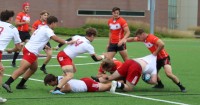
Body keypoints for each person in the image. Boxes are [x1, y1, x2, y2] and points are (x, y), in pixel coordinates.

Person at [2, 16, 72, 93]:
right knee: (22, 69)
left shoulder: (42, 28)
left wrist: (44, 45)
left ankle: (20, 84)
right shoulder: (48, 30)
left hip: (30, 50)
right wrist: (66, 42)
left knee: (33, 68)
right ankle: (7, 83)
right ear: (53, 23)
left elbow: (37, 38)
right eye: (56, 24)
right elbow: (56, 38)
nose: (56, 25)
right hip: (31, 51)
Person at [51, 28, 104, 94]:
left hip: (65, 55)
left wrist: (58, 47)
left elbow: (67, 40)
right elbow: (95, 59)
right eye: (94, 37)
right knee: (70, 75)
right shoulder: (89, 46)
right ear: (92, 36)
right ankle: (57, 89)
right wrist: (103, 56)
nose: (94, 38)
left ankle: (60, 83)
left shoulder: (77, 36)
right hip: (64, 57)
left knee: (73, 70)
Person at [0, 10, 22, 103]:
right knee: (0, 71)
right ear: (9, 18)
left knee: (1, 69)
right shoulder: (13, 28)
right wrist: (11, 50)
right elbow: (18, 47)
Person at [44, 74, 111, 94]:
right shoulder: (59, 78)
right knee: (104, 84)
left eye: (49, 83)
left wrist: (56, 91)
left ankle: (120, 83)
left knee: (108, 87)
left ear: (52, 81)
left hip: (87, 85)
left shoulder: (61, 80)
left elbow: (68, 88)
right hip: (83, 82)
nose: (50, 85)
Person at [11, 2, 31, 67]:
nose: (27, 9)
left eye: (28, 7)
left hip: (27, 33)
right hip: (21, 33)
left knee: (30, 45)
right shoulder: (20, 14)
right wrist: (25, 22)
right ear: (23, 8)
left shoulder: (28, 16)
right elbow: (16, 23)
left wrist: (29, 28)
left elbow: (27, 25)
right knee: (19, 48)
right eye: (26, 7)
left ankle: (28, 62)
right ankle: (13, 61)